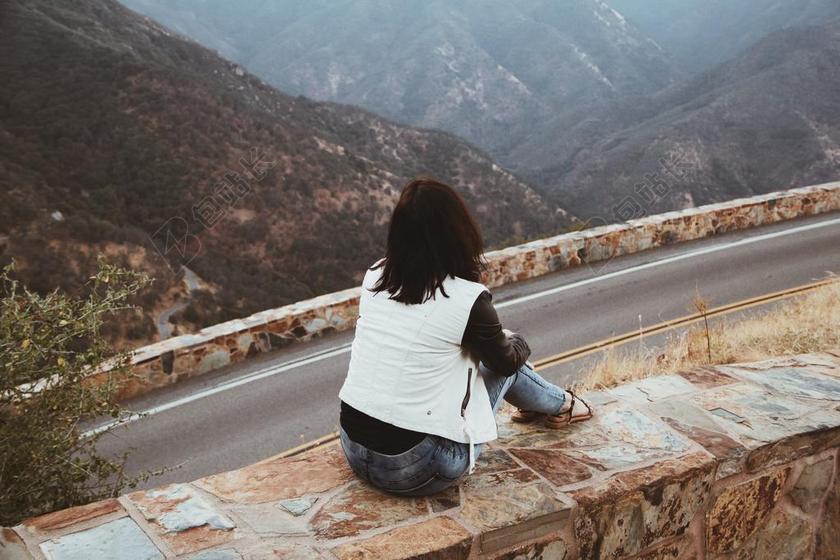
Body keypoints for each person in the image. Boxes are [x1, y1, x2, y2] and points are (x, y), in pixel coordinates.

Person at [337, 176, 593, 496]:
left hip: (353, 448)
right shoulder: (467, 299)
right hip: (419, 467)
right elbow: (506, 363)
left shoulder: (375, 276)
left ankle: (549, 406)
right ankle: (565, 405)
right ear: (458, 232)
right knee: (506, 364)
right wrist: (517, 340)